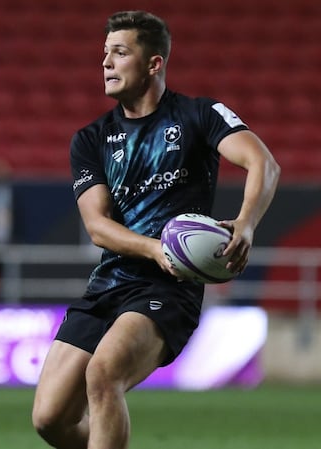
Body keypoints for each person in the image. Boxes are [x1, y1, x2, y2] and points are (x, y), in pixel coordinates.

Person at [31, 10, 279, 449]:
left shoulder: (199, 115)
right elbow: (98, 226)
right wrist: (153, 248)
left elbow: (262, 162)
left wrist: (246, 222)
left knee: (104, 374)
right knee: (50, 419)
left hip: (170, 288)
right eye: (105, 53)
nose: (106, 62)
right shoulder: (91, 139)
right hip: (109, 284)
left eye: (119, 52)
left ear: (154, 63)